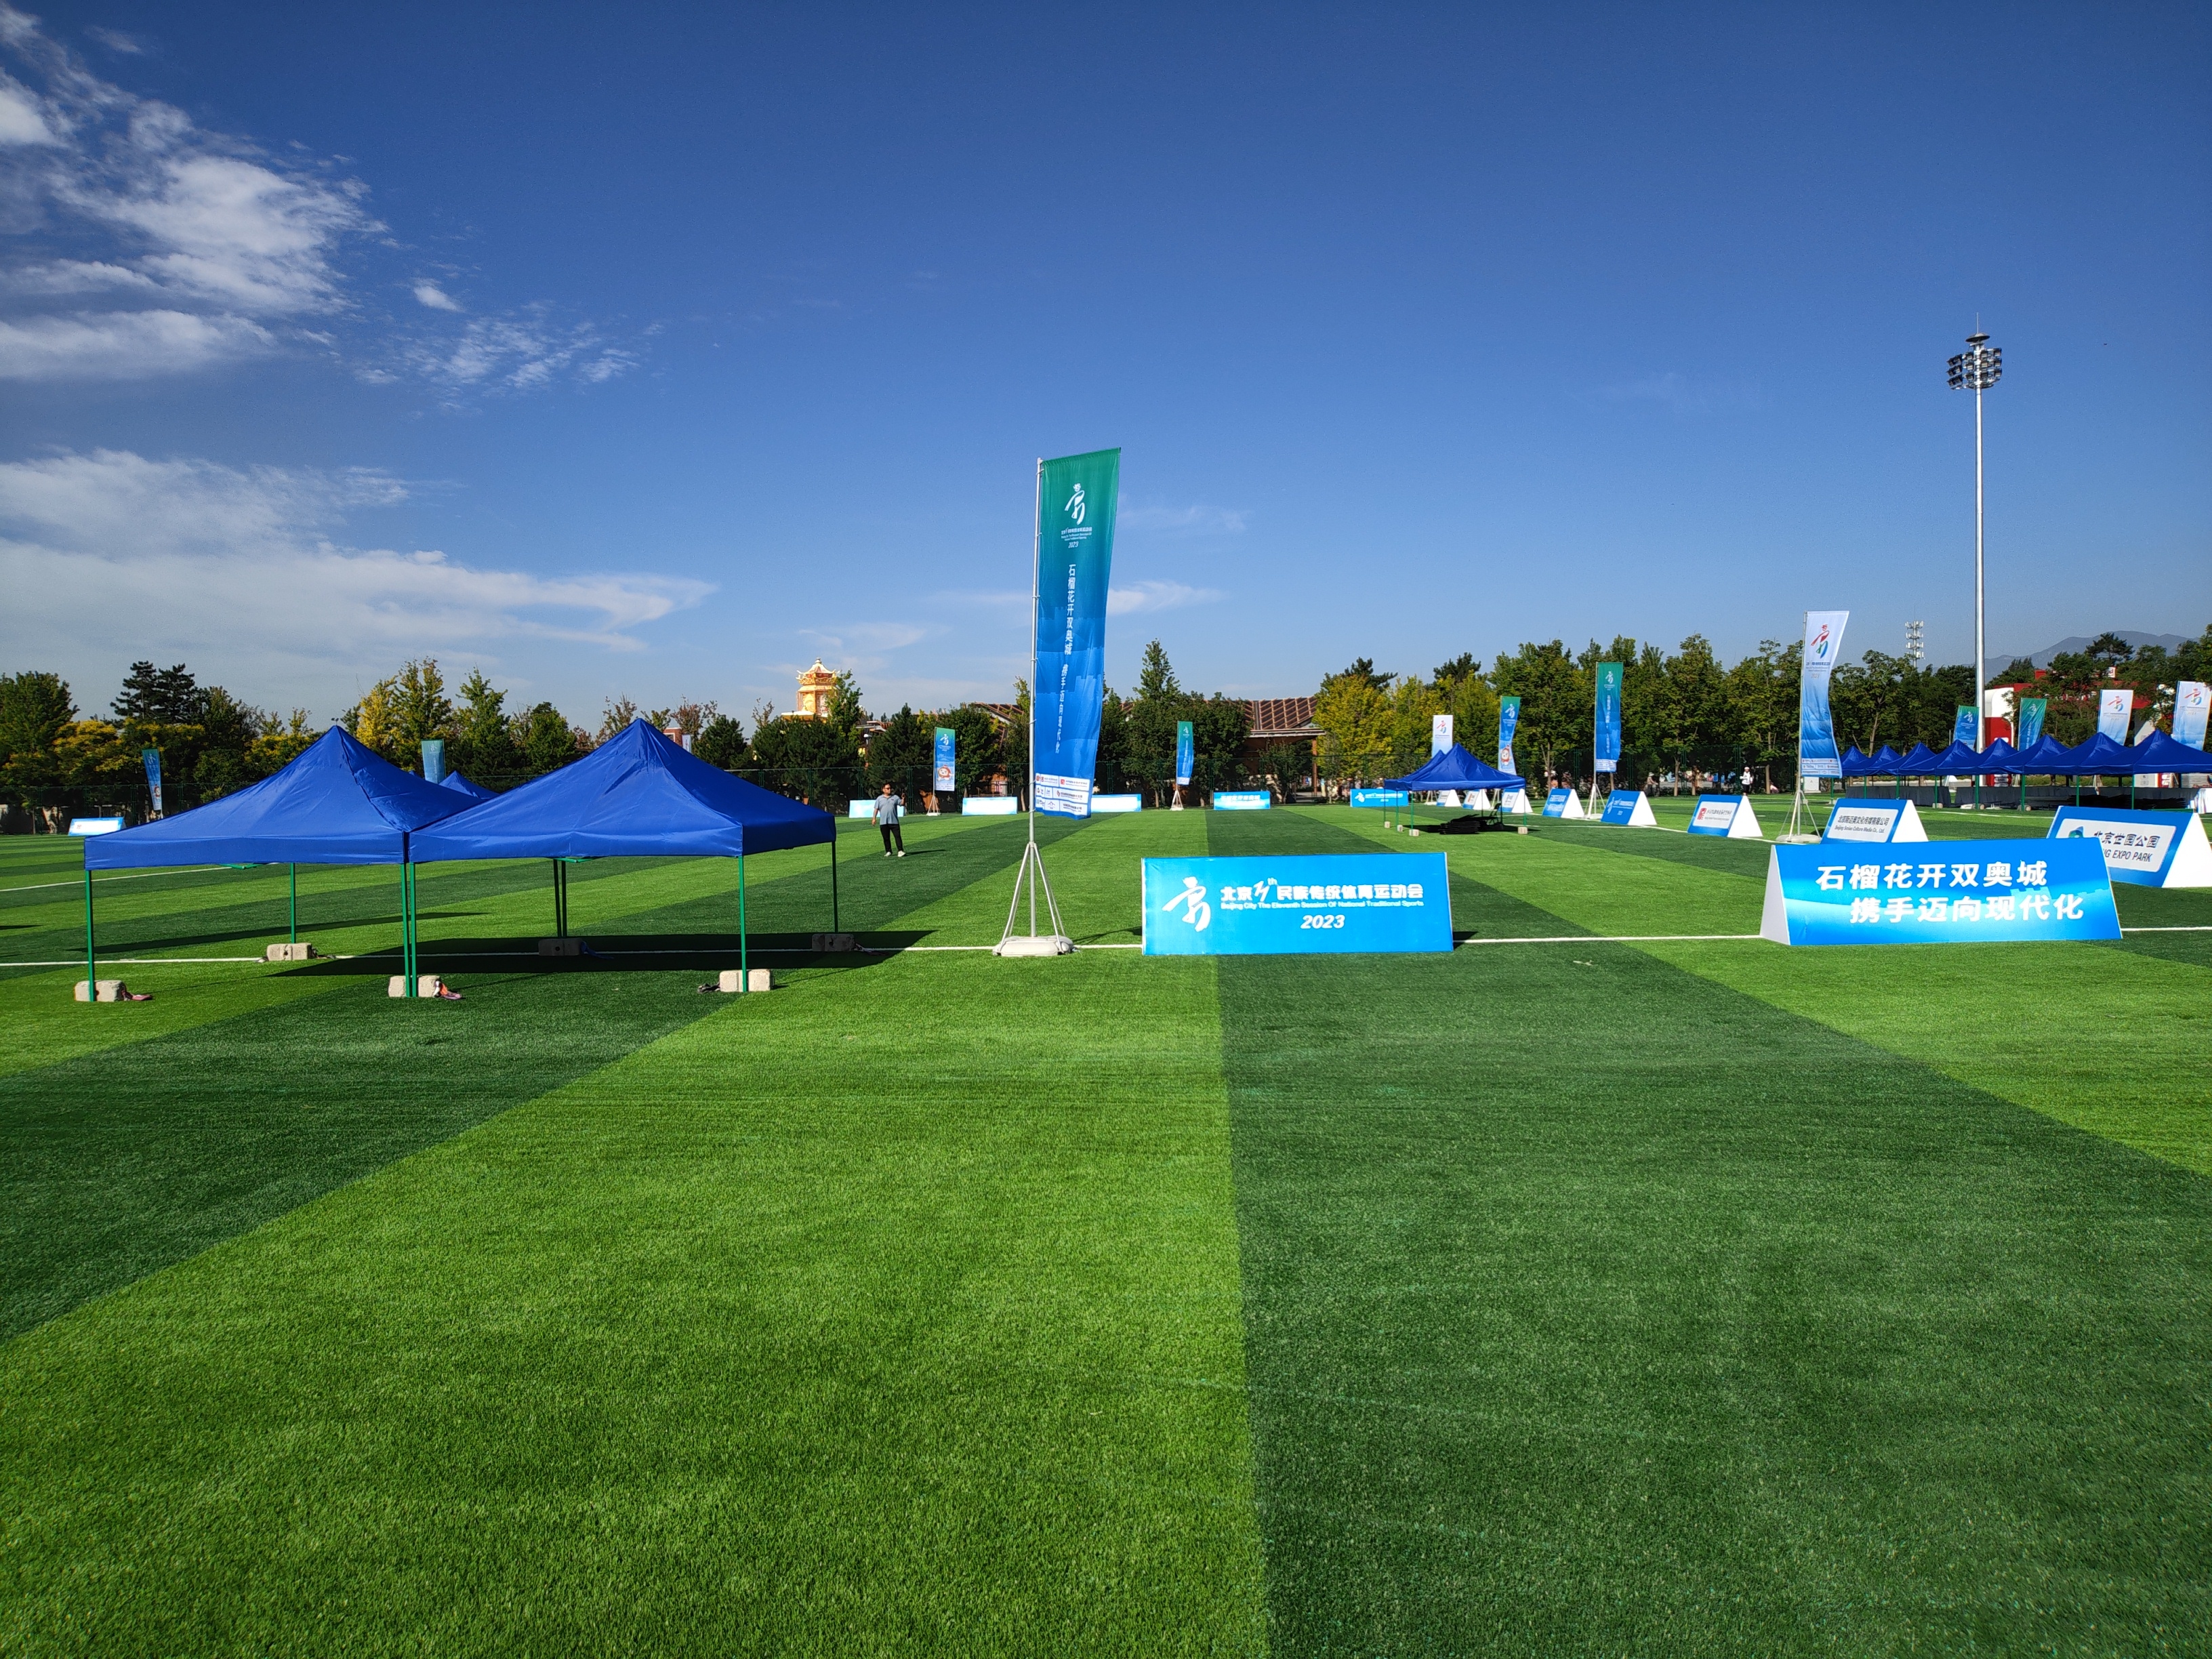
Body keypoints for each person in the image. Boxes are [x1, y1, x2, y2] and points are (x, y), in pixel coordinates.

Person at [873, 782, 905, 857]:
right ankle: (888, 851)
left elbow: (902, 804)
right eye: (887, 788)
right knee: (886, 838)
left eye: (890, 788)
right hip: (884, 822)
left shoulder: (895, 797)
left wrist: (903, 799)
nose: (889, 790)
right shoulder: (879, 799)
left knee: (897, 836)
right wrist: (874, 818)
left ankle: (900, 850)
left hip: (894, 821)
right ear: (883, 789)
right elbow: (876, 809)